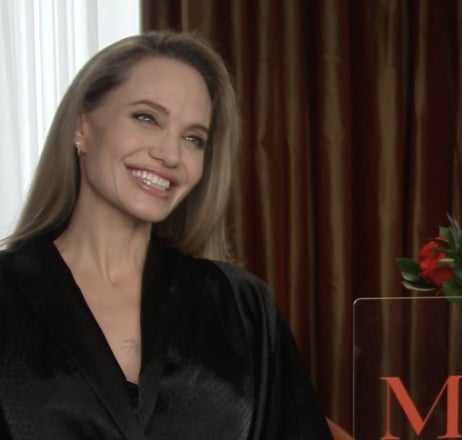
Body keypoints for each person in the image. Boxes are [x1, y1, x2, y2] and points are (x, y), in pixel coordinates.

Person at [0, 32, 331, 439]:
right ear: (81, 126)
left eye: (193, 139)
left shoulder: (242, 307)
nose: (171, 155)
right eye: (146, 117)